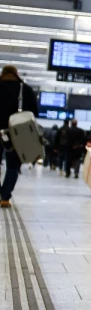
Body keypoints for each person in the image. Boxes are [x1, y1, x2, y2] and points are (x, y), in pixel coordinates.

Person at [0, 65, 36, 207]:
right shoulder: (25, 89)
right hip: (17, 133)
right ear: (16, 74)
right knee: (13, 166)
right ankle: (5, 196)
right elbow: (34, 112)